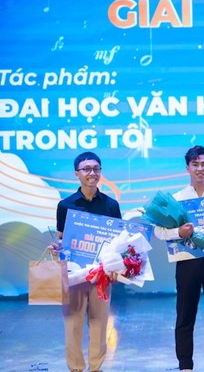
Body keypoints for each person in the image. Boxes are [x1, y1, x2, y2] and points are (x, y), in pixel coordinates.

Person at [153, 145, 204, 372]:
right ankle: (185, 366)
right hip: (187, 262)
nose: (200, 169)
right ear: (187, 168)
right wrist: (179, 232)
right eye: (195, 164)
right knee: (185, 317)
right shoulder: (176, 199)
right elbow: (158, 231)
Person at [52, 151, 122, 372]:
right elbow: (62, 239)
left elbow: (119, 241)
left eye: (96, 169)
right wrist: (57, 247)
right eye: (86, 169)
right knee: (72, 325)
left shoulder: (111, 205)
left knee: (99, 325)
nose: (92, 173)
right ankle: (75, 368)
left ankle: (96, 368)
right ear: (77, 173)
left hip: (101, 275)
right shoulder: (65, 205)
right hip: (74, 275)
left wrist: (116, 268)